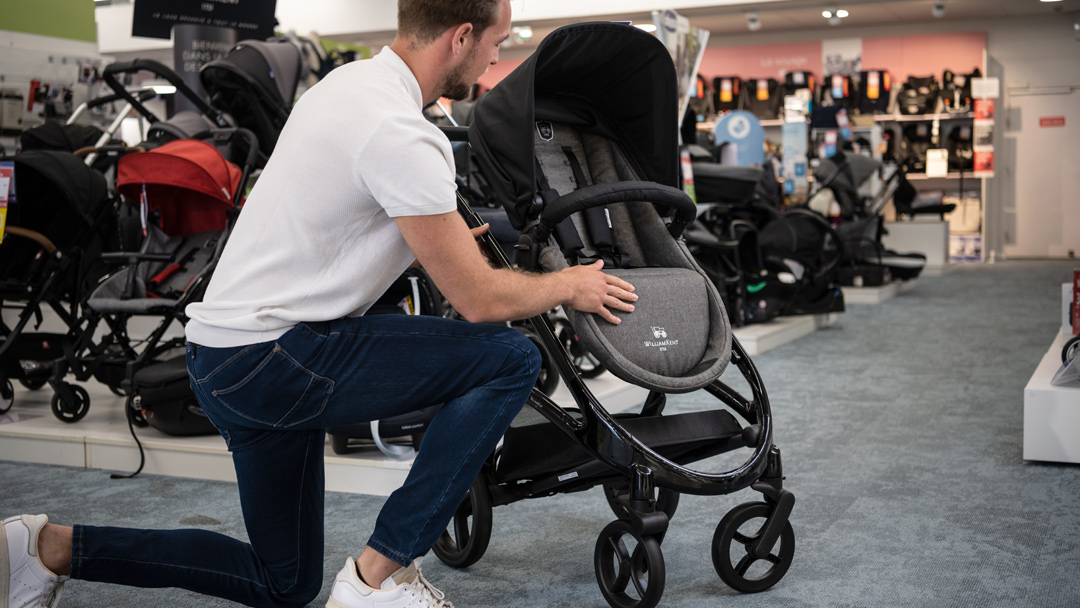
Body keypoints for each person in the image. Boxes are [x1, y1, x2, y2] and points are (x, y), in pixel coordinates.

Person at [2, 1, 638, 607]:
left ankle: (47, 548)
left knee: (284, 583)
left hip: (224, 358)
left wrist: (427, 245)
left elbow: (336, 222)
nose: (496, 59)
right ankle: (379, 575)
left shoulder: (347, 86)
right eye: (498, 42)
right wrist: (569, 283)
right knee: (507, 357)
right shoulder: (404, 134)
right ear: (461, 36)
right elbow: (477, 301)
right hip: (277, 355)